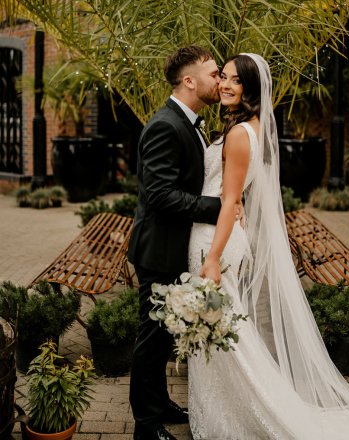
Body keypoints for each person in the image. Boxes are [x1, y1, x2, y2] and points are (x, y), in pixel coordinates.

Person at [188, 53, 349, 439]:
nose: (225, 85)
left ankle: (255, 413)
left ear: (251, 89)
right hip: (220, 233)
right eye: (225, 78)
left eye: (236, 81)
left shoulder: (238, 134)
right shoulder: (251, 128)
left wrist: (214, 258)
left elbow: (231, 200)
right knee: (227, 333)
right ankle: (228, 406)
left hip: (214, 241)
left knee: (230, 338)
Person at [129, 45, 235, 440]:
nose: (219, 81)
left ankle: (159, 404)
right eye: (213, 74)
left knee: (163, 336)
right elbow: (160, 195)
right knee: (151, 338)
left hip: (174, 246)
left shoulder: (190, 121)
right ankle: (146, 425)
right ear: (189, 81)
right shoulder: (164, 125)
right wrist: (217, 207)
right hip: (158, 250)